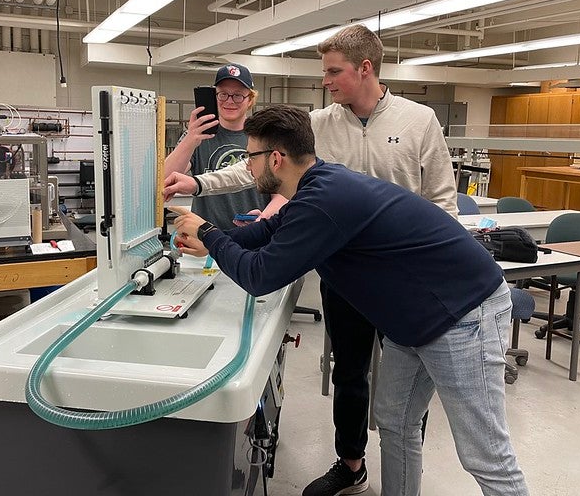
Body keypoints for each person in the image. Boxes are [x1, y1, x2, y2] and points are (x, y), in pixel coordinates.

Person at [169, 105, 529, 496]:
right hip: (416, 322)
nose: (247, 168)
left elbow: (259, 276)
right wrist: (210, 242)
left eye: (249, 157)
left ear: (276, 158)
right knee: (395, 423)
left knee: (485, 455)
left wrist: (207, 231)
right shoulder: (315, 186)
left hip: (463, 312)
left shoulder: (324, 199)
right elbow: (264, 234)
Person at [163, 25, 457, 495]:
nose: (325, 80)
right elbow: (256, 165)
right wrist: (199, 185)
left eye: (333, 71)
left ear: (366, 69)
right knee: (349, 372)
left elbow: (442, 201)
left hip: (405, 280)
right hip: (345, 274)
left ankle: (404, 468)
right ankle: (352, 464)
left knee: (406, 389)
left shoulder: (418, 121)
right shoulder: (321, 123)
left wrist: (436, 268)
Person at [164, 62, 271, 230]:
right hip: (206, 239)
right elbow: (164, 179)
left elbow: (279, 189)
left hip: (254, 235)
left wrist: (266, 217)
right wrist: (191, 139)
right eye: (223, 94)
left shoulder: (263, 136)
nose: (229, 101)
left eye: (238, 95)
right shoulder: (198, 135)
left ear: (250, 100)